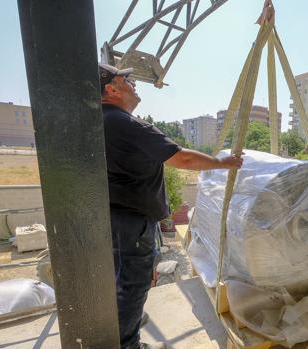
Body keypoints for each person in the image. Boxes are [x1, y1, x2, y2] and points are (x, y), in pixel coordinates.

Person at [99, 63, 243, 349]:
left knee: (121, 284)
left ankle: (123, 331)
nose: (132, 82)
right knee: (131, 286)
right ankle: (127, 344)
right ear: (110, 88)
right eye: (124, 79)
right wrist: (223, 163)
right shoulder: (125, 123)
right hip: (130, 222)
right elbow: (183, 159)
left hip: (114, 219)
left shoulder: (98, 121)